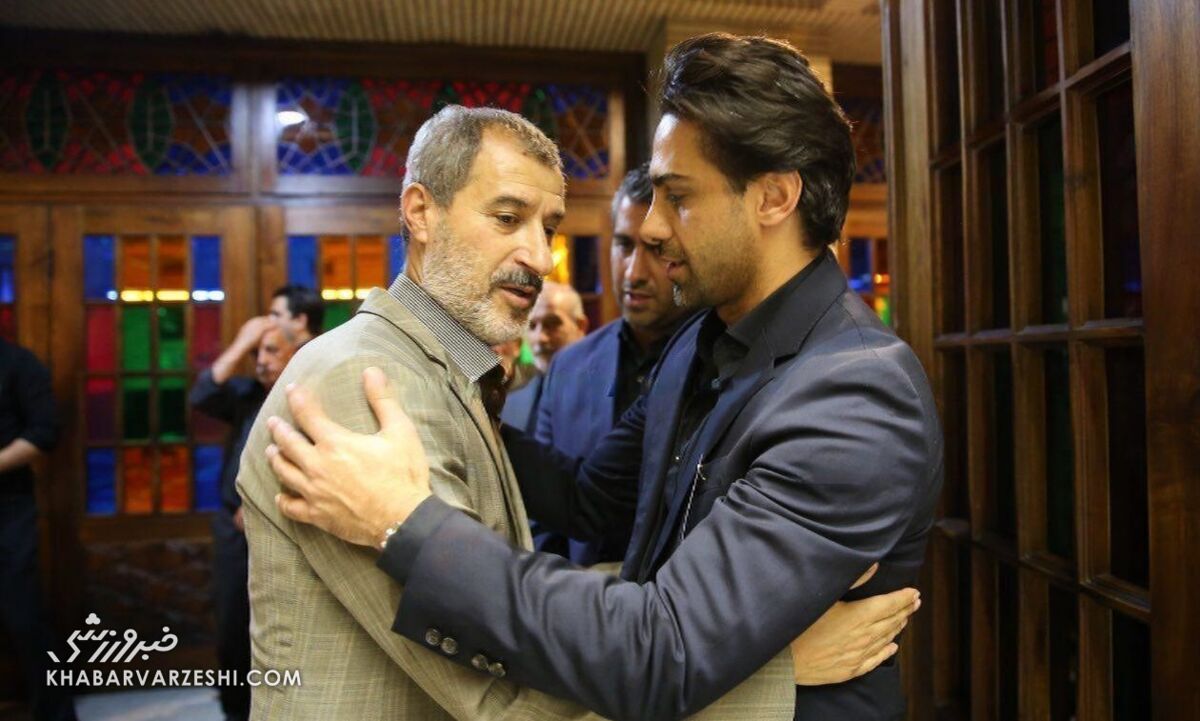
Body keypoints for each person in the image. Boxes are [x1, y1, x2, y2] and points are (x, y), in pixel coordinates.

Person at [265, 33, 941, 721]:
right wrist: (468, 402)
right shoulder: (696, 346)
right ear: (419, 212)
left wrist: (405, 524)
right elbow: (594, 506)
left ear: (773, 197)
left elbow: (662, 648)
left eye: (677, 197)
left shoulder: (857, 395)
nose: (653, 228)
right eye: (506, 217)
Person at [530, 163, 692, 565]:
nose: (634, 272)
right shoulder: (568, 367)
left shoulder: (719, 360)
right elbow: (546, 521)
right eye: (623, 245)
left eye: (656, 249)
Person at [190, 318, 302, 721]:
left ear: (295, 352)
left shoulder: (306, 394)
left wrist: (261, 503)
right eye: (257, 353)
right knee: (232, 626)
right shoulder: (245, 395)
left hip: (286, 527)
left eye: (271, 351)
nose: (261, 361)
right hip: (233, 532)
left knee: (283, 629)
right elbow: (202, 395)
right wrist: (240, 343)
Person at [0, 337, 77, 721]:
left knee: (24, 615)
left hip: (8, 508)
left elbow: (44, 432)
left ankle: (57, 714)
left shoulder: (18, 363)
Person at [500, 281, 587, 433]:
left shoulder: (606, 393)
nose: (540, 338)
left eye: (551, 324)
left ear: (580, 326)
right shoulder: (509, 402)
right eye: (532, 326)